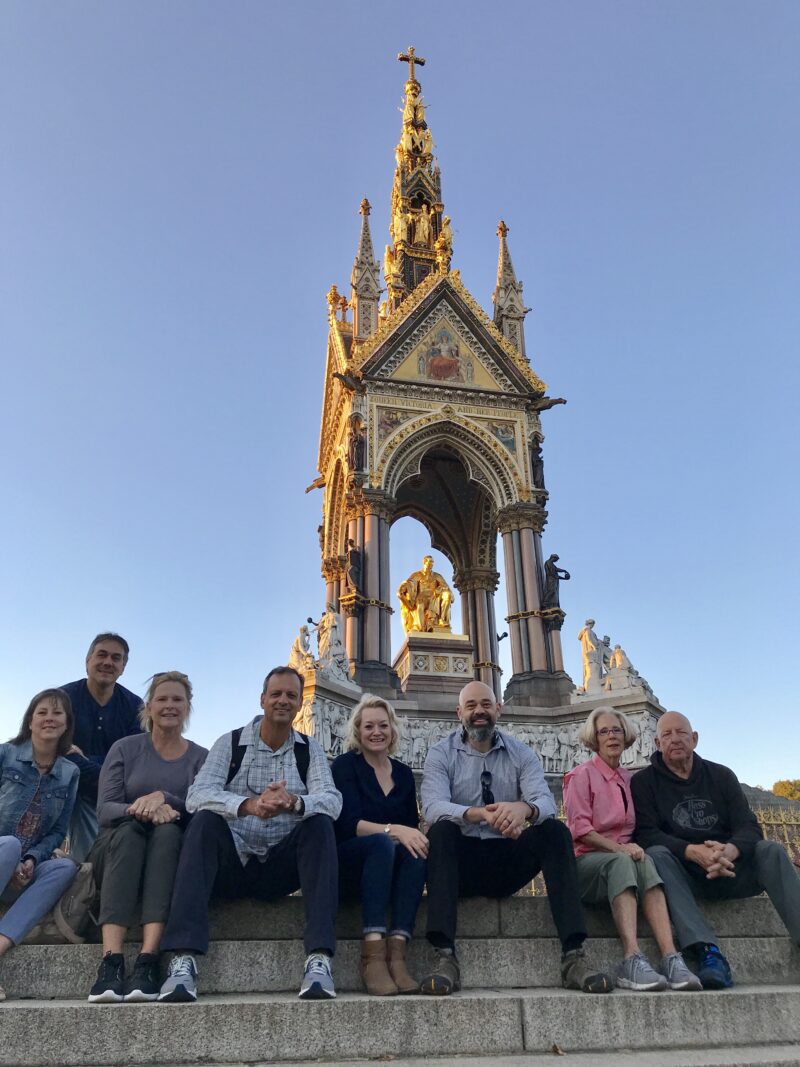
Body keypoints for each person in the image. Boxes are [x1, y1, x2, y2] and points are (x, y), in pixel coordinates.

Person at [157, 666, 342, 1002]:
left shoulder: (310, 749)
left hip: (281, 867)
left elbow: (332, 800)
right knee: (204, 822)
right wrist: (249, 805)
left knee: (319, 822)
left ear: (301, 704)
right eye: (276, 694)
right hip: (235, 864)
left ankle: (319, 958)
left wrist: (294, 802)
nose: (283, 701)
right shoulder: (230, 743)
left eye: (290, 695)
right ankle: (183, 958)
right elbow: (196, 796)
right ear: (262, 699)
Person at [420, 680, 612, 997]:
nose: (479, 711)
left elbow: (547, 803)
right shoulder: (441, 754)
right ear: (459, 713)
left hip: (507, 861)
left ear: (499, 709)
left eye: (485, 704)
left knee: (554, 831)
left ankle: (574, 954)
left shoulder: (521, 752)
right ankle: (444, 956)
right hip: (462, 867)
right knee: (441, 829)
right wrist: (479, 814)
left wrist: (523, 809)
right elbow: (432, 806)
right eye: (471, 706)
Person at [632, 710, 800, 989]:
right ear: (657, 743)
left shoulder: (721, 775)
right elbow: (647, 834)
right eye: (667, 735)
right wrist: (692, 851)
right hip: (685, 877)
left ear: (694, 739)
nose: (675, 739)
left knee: (771, 850)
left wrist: (729, 850)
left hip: (731, 868)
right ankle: (707, 952)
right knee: (658, 855)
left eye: (681, 733)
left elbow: (749, 826)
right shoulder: (642, 782)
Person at [86, 671, 208, 1003]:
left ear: (187, 707)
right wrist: (141, 807)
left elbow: (202, 808)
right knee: (129, 833)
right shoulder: (124, 748)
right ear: (149, 706)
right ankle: (110, 961)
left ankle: (148, 959)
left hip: (168, 853)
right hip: (116, 848)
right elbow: (105, 810)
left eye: (177, 700)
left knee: (168, 834)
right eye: (162, 699)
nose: (170, 706)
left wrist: (165, 799)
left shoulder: (200, 757)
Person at [563, 707, 701, 992]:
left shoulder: (630, 780)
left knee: (647, 862)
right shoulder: (580, 776)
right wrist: (619, 849)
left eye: (617, 730)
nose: (612, 736)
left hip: (625, 859)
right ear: (594, 738)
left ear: (626, 736)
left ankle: (670, 957)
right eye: (604, 731)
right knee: (624, 862)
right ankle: (631, 958)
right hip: (586, 864)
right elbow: (580, 830)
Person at [331, 695, 427, 996]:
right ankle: (372, 953)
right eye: (369, 726)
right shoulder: (345, 765)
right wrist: (393, 829)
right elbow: (347, 823)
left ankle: (398, 952)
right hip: (351, 865)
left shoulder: (403, 773)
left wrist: (415, 832)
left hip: (389, 869)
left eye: (383, 726)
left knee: (416, 848)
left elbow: (411, 824)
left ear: (392, 730)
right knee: (383, 844)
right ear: (358, 731)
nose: (376, 732)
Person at [0, 689, 79, 1001]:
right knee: (7, 845)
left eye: (57, 713)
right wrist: (16, 853)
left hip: (22, 871)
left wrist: (32, 859)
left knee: (64, 866)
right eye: (43, 712)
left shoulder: (69, 772)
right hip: (1, 852)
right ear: (30, 720)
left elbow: (59, 830)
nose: (49, 718)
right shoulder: (5, 754)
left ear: (66, 723)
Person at [61, 633, 143, 861]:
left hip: (114, 792)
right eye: (102, 655)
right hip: (67, 787)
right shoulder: (63, 698)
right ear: (88, 661)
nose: (108, 662)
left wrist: (85, 760)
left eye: (116, 658)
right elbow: (46, 746)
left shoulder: (134, 706)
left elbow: (135, 759)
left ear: (123, 667)